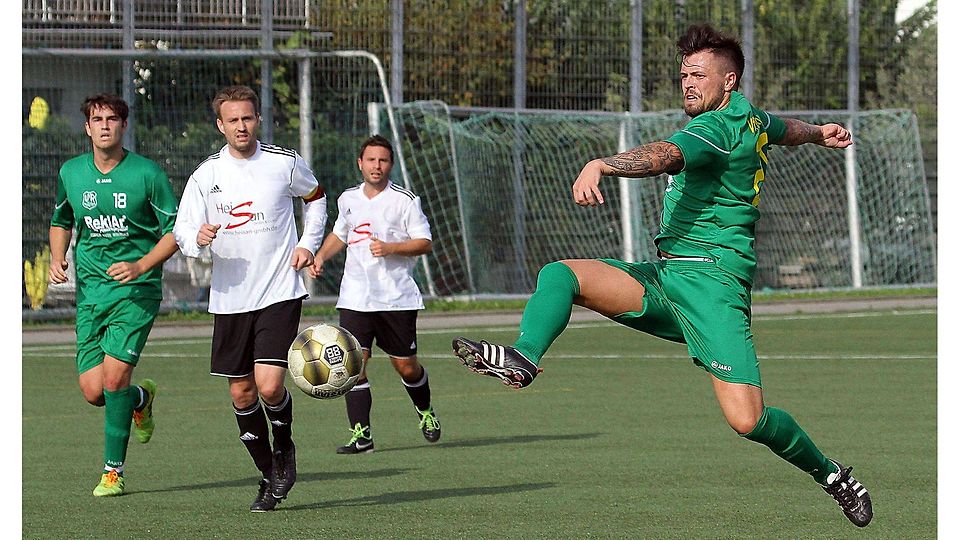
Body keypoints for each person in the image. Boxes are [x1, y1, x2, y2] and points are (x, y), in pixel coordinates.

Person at [452, 24, 873, 528]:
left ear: (729, 80)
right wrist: (819, 133)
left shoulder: (716, 129)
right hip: (669, 277)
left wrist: (602, 164)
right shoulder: (750, 117)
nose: (688, 83)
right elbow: (782, 127)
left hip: (714, 288)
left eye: (699, 75)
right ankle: (523, 357)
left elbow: (665, 156)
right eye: (683, 75)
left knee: (748, 420)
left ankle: (833, 477)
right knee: (562, 275)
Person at [172, 85, 327, 512]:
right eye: (232, 120)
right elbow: (182, 231)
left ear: (258, 119)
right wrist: (197, 239)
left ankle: (285, 443)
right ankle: (268, 473)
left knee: (269, 384)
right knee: (241, 394)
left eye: (248, 118)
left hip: (279, 290)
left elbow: (316, 199)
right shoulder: (205, 176)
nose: (241, 126)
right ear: (220, 125)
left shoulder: (284, 163)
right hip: (229, 298)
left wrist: (309, 243)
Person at [49, 94, 179, 497]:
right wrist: (58, 257)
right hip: (91, 295)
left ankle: (112, 472)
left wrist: (141, 266)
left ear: (123, 126)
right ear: (87, 127)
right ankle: (141, 398)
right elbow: (61, 219)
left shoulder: (147, 174)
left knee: (113, 376)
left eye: (113, 119)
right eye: (97, 119)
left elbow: (175, 231)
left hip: (135, 292)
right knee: (93, 391)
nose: (105, 125)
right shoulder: (71, 172)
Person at [309, 135, 439, 454]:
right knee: (354, 365)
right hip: (355, 298)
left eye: (382, 160)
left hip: (397, 299)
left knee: (406, 366)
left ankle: (425, 412)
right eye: (371, 160)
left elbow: (425, 242)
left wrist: (392, 247)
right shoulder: (348, 199)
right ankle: (362, 435)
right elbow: (340, 234)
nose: (376, 166)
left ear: (389, 165)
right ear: (360, 163)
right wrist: (321, 256)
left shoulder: (404, 200)